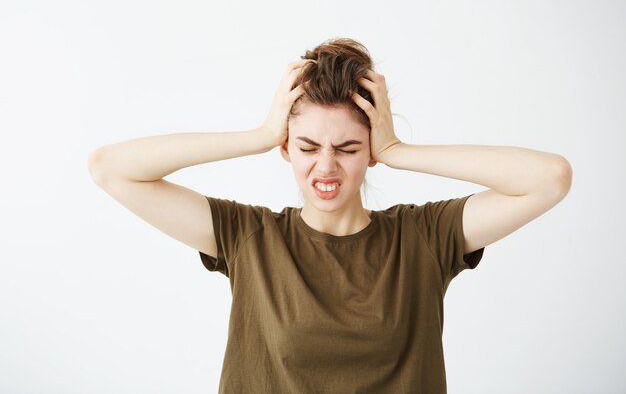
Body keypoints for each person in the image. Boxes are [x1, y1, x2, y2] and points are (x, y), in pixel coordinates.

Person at [88, 38, 572, 394]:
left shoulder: (423, 238)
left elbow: (549, 177)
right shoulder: (249, 238)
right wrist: (256, 136)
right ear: (286, 147)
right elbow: (111, 169)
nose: (326, 167)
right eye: (307, 146)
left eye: (348, 148)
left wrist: (399, 149)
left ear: (370, 152)